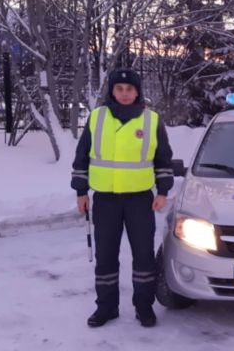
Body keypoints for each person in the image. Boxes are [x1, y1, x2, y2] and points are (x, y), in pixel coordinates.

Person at [71, 68, 174, 328]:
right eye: (119, 88)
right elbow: (82, 157)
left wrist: (163, 191)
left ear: (137, 92)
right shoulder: (97, 117)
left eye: (130, 89)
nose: (125, 93)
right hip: (105, 200)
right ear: (112, 91)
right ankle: (106, 307)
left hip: (140, 200)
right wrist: (81, 192)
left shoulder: (151, 120)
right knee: (105, 256)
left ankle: (144, 307)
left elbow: (163, 159)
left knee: (143, 256)